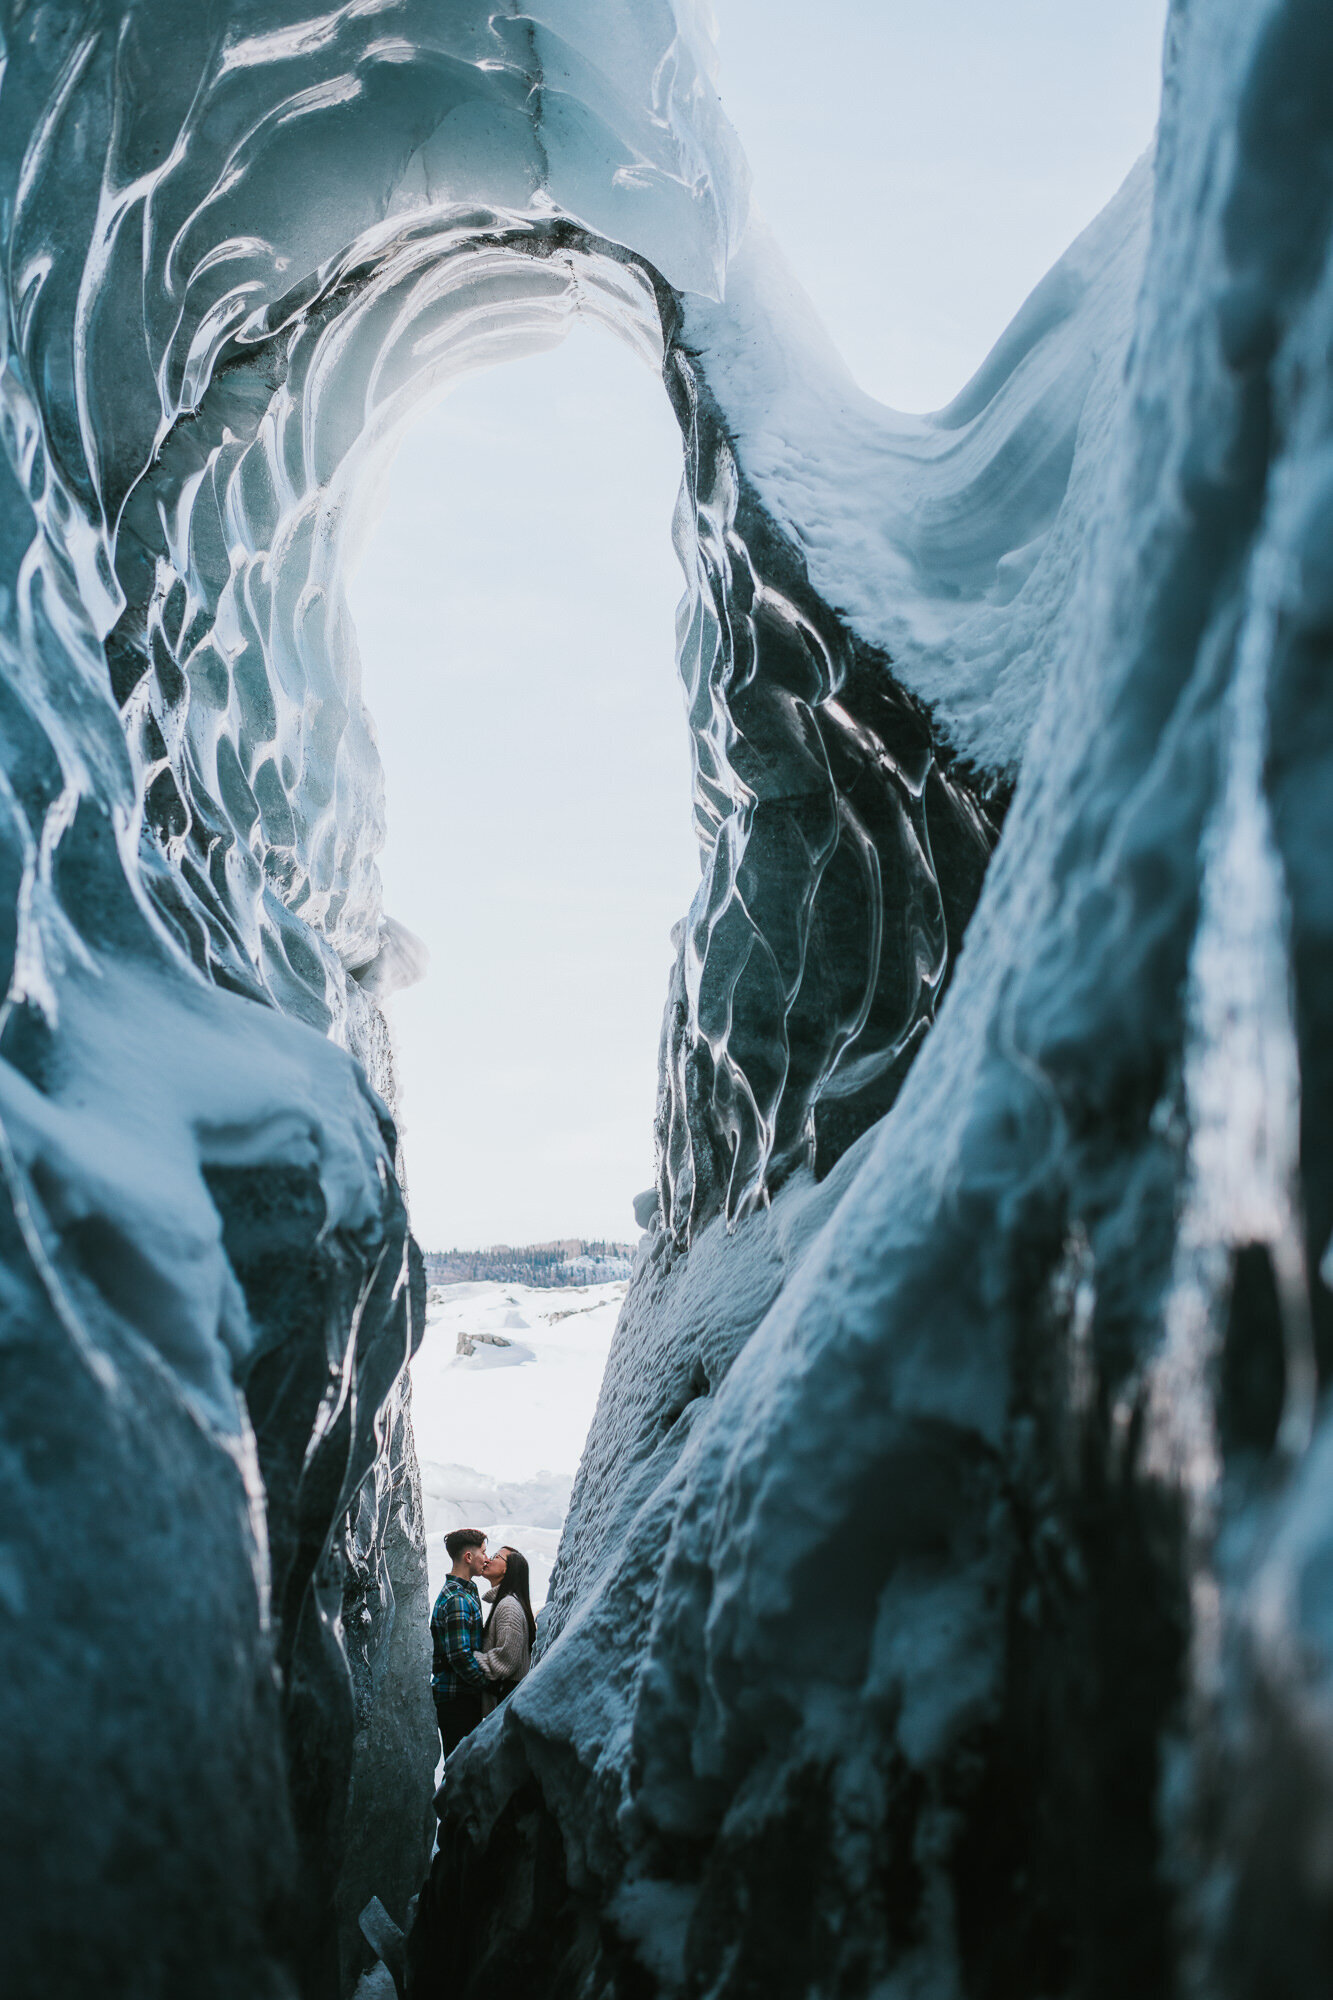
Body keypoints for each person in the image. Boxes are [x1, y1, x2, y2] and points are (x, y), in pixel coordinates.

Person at [429, 1527, 491, 1758]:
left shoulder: (462, 1593)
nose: (486, 1558)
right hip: (458, 1700)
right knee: (460, 1768)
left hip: (458, 1697)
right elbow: (459, 1655)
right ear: (468, 1557)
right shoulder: (458, 1599)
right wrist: (488, 1683)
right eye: (483, 1552)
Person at [474, 1546, 536, 1714]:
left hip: (506, 1702)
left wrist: (472, 1657)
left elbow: (506, 1659)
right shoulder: (507, 1602)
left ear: (507, 1569)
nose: (488, 1559)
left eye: (496, 1556)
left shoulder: (508, 1605)